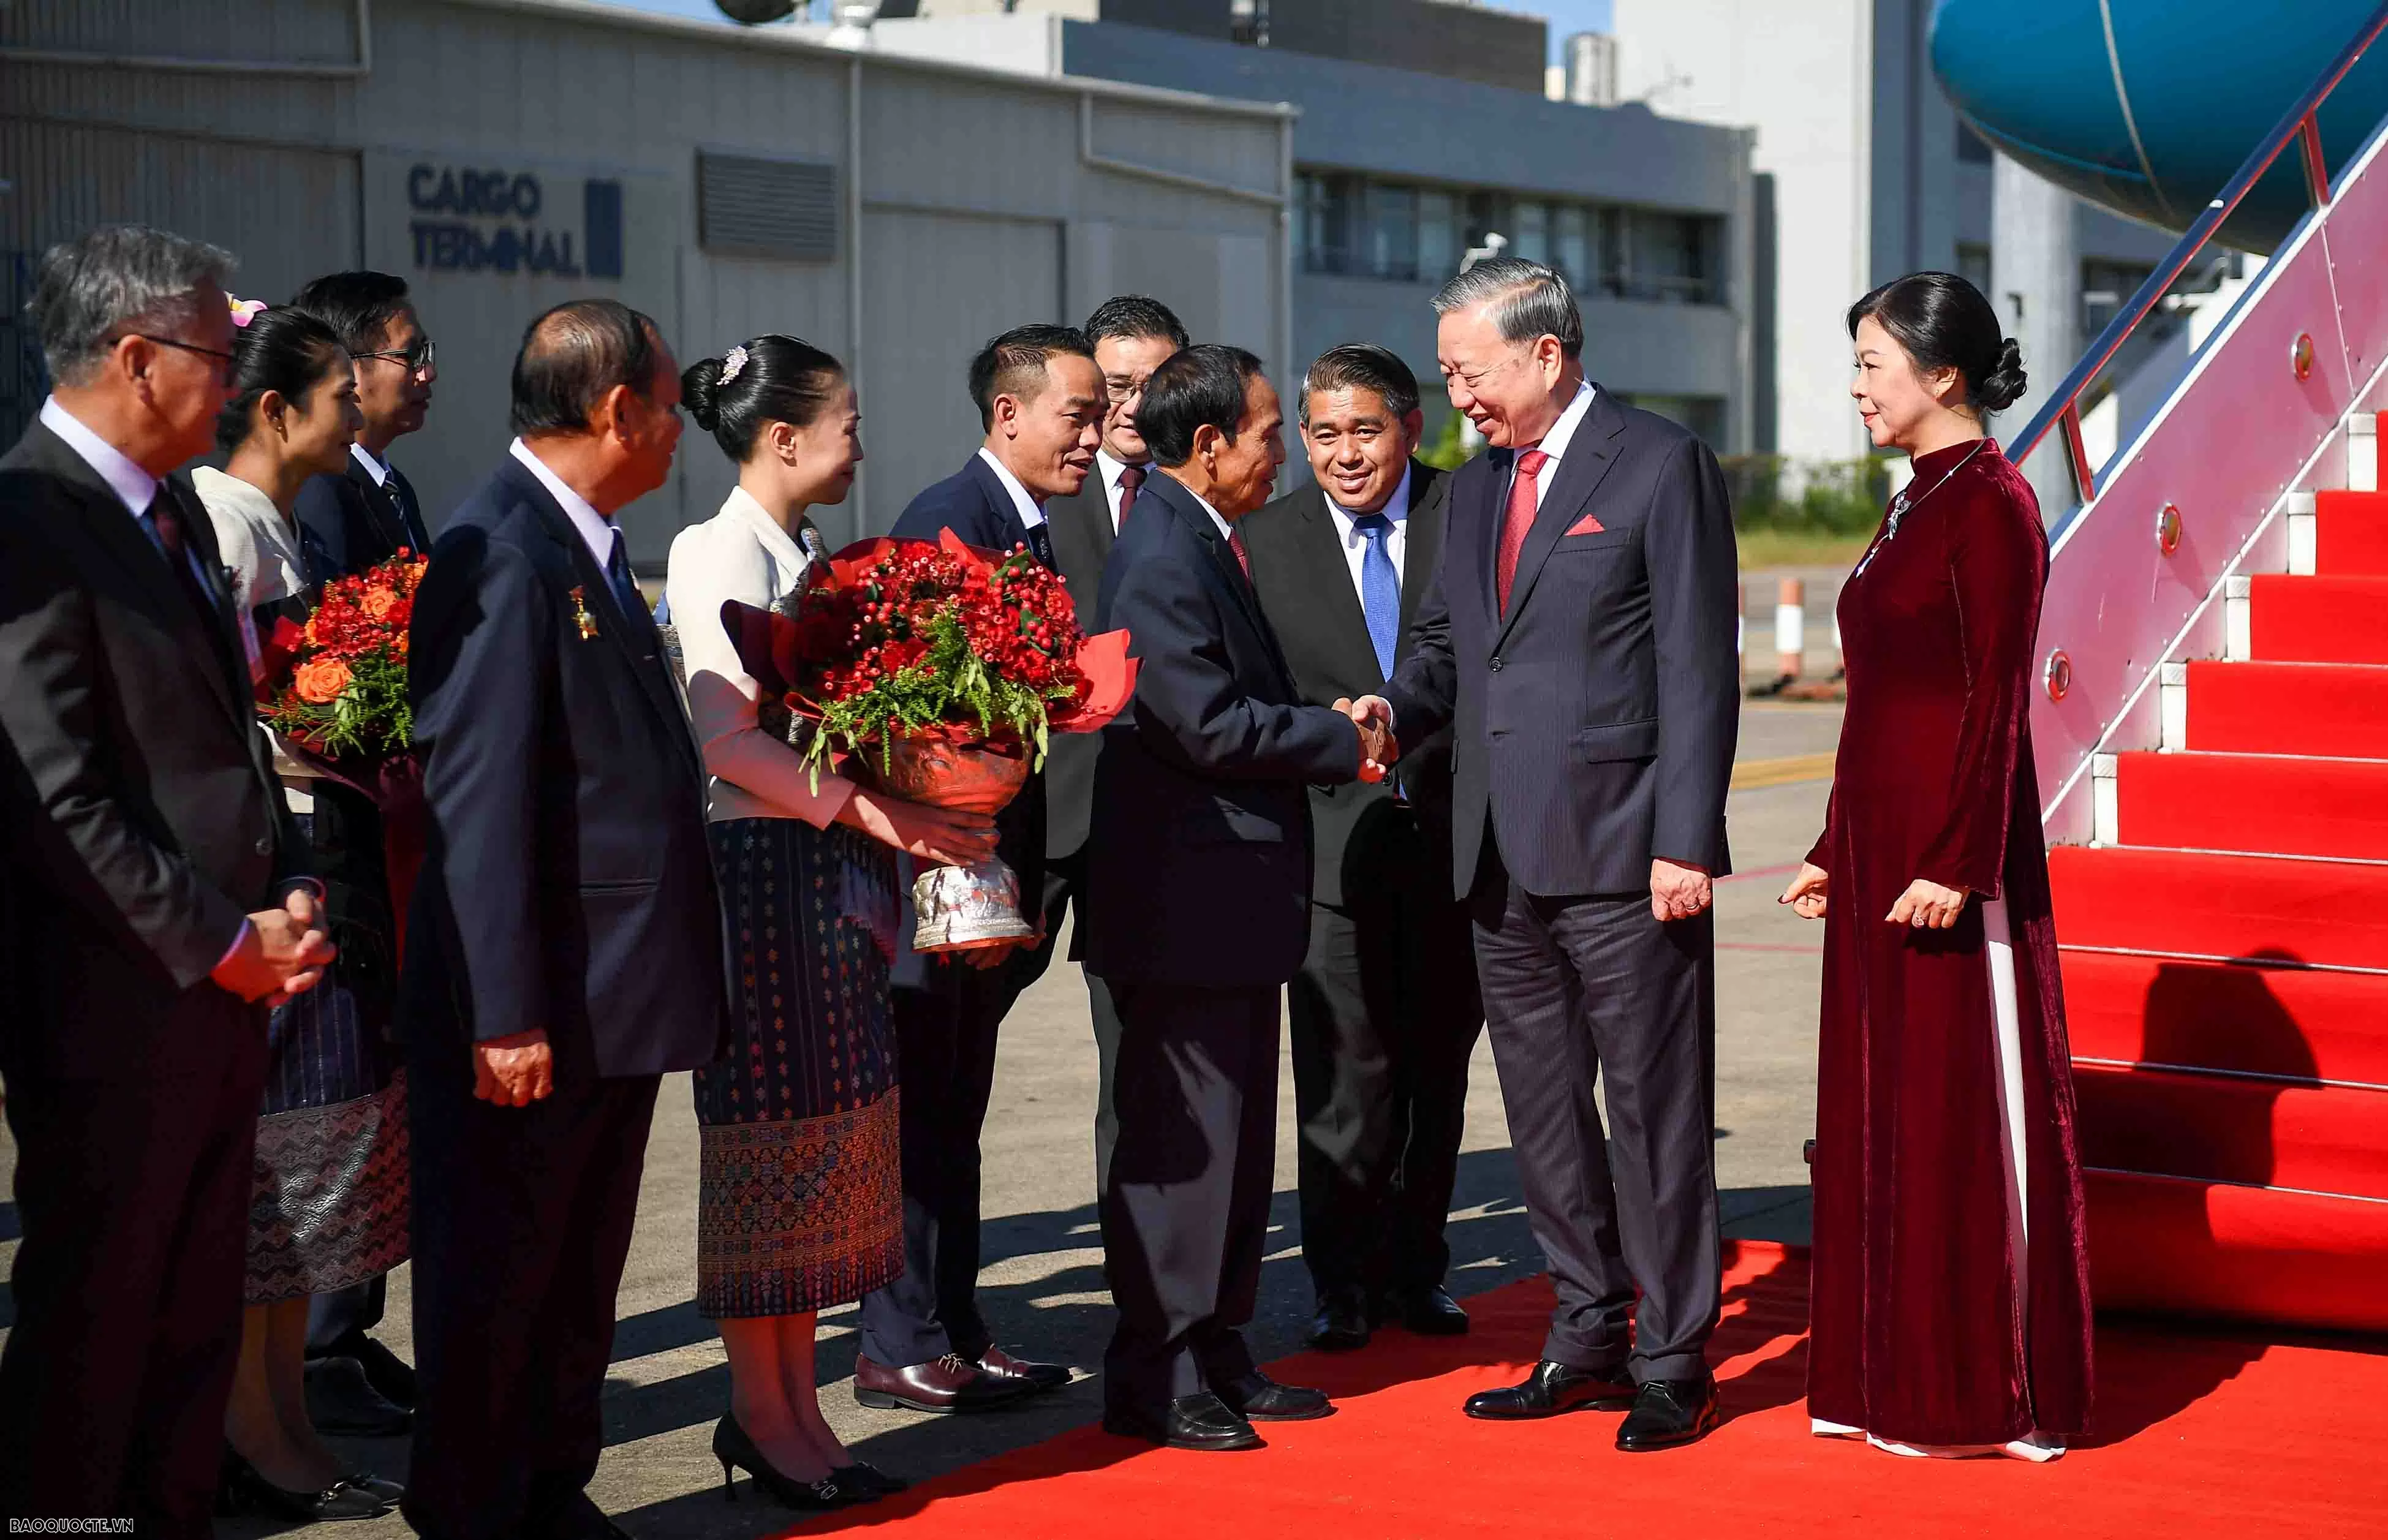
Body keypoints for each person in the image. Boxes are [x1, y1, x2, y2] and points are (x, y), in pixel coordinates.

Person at [1352, 257, 1739, 1450]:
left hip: (1629, 856)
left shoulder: (1657, 463)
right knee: (1542, 1118)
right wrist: (1380, 715)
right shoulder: (1466, 498)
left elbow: (1694, 663)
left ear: (1545, 355)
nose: (1454, 391)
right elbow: (1437, 655)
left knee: (1653, 1114)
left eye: (1468, 370)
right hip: (1492, 855)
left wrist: (1687, 838)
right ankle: (1583, 1332)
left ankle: (1673, 1353)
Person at [0, 224, 334, 1530]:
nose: (242, 383)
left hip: (219, 990)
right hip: (115, 1002)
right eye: (222, 351)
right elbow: (53, 793)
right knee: (97, 1331)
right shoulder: (30, 519)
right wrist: (215, 936)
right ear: (138, 359)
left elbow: (224, 738)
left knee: (193, 1319)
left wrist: (289, 885)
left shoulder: (175, 508)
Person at [399, 298, 724, 1540]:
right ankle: (477, 1506)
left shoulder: (577, 538)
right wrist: (505, 1011)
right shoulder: (502, 548)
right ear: (615, 411)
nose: (677, 431)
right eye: (670, 405)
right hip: (536, 1008)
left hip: (610, 995)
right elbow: (476, 806)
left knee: (574, 1270)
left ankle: (548, 1485)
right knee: (500, 1277)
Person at [665, 334, 997, 1506]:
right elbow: (732, 743)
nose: (861, 440)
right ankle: (763, 1413)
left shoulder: (803, 553)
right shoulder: (714, 550)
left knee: (834, 1144)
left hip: (829, 871)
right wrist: (895, 815)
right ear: (782, 435)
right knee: (772, 1148)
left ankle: (795, 1407)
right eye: (845, 421)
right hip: (766, 874)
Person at [1779, 271, 2093, 1461]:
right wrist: (1828, 844)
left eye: (1870, 362)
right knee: (1877, 1117)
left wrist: (1959, 863)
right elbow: (1883, 704)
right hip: (1876, 852)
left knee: (1955, 1113)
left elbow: (1993, 698)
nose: (1854, 384)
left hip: (1950, 861)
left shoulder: (1991, 505)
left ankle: (1982, 1389)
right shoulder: (1913, 499)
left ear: (1940, 374)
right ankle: (1881, 1378)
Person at [1084, 344, 1389, 1452]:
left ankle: (1215, 1348)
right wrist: (1334, 738)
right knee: (1181, 1149)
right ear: (1207, 445)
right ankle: (1156, 1373)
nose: (1282, 453)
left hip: (1223, 903)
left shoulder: (1203, 535)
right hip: (1182, 902)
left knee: (1227, 1148)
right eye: (1269, 433)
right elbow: (1200, 721)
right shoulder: (1163, 549)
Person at [851, 324, 1103, 1413]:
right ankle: (899, 1337)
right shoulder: (950, 522)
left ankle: (954, 1324)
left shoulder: (1028, 525)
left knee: (955, 1116)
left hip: (985, 885)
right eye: (1078, 413)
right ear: (1009, 414)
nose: (1096, 435)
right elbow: (906, 724)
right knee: (919, 1120)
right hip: (932, 883)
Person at [191, 303, 414, 1520]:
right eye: (337, 391)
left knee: (304, 1182)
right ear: (277, 409)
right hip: (270, 881)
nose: (355, 409)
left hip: (314, 870)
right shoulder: (226, 526)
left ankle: (282, 1418)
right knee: (272, 1184)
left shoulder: (266, 521)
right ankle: (247, 1427)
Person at [1240, 344, 1482, 1353]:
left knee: (1436, 1073)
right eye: (1323, 433)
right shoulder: (1262, 540)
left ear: (1411, 426)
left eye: (1365, 429)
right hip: (1329, 847)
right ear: (1302, 438)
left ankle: (1413, 1270)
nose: (1344, 453)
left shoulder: (1464, 513)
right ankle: (1338, 1279)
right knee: (1343, 1077)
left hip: (1453, 841)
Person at [281, 271, 434, 1438]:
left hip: (396, 820)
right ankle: (320, 1339)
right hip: (341, 822)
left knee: (382, 1082)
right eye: (403, 354)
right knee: (340, 1084)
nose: (424, 371)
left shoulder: (393, 487)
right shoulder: (325, 499)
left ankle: (350, 1325)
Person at [1026, 295, 1187, 1193]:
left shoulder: (1213, 492)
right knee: (959, 1042)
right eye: (1112, 386)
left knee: (1141, 1057)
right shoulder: (1039, 492)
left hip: (1156, 821)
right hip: (1041, 814)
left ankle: (1137, 1267)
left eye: (1150, 385)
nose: (1129, 406)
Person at [292, 270, 437, 574]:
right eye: (411, 355)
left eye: (425, 353)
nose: (427, 373)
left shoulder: (396, 487)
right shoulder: (318, 488)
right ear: (345, 367)